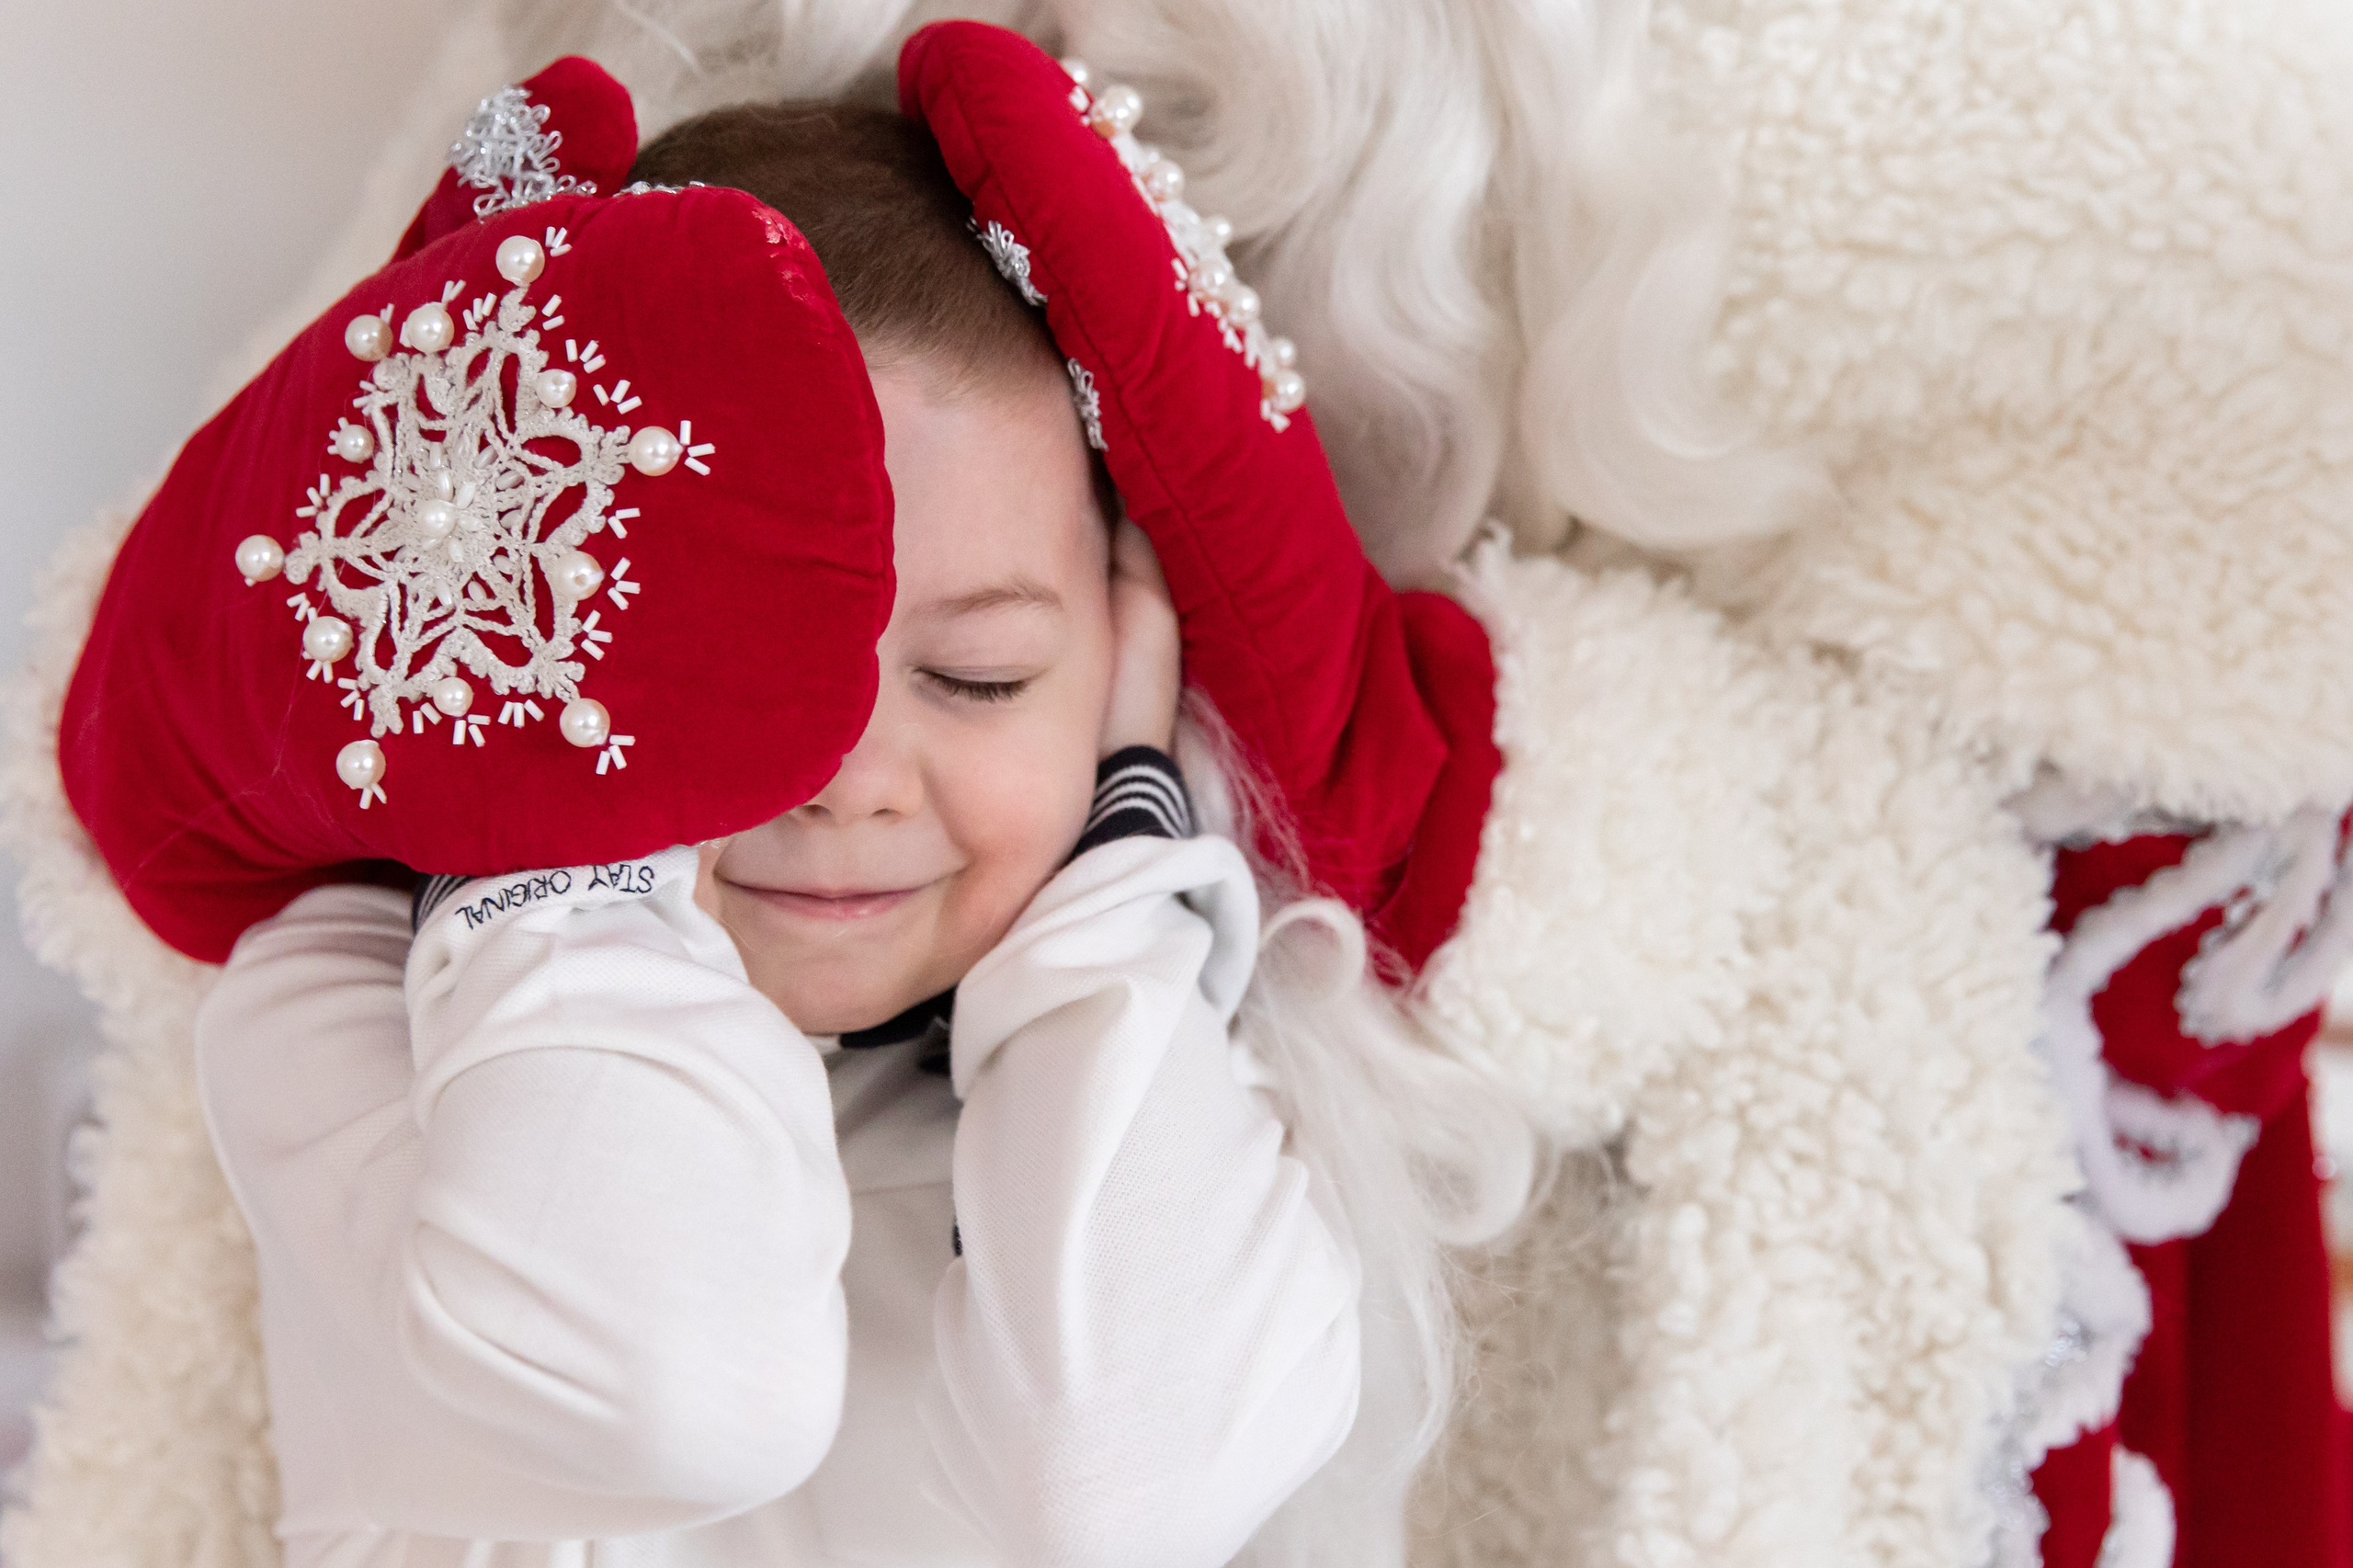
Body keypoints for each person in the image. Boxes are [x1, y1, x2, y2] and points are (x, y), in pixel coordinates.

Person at [184, 92, 1532, 1568]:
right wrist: (561, 811)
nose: (849, 779)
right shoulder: (347, 1004)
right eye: (742, 669)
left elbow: (1124, 1497)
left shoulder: (1180, 1042)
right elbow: (666, 1390)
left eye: (978, 676)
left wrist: (1119, 886)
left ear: (1119, 667)